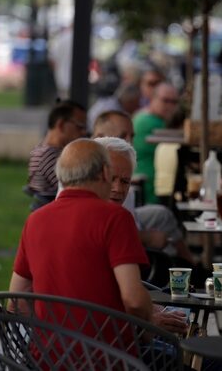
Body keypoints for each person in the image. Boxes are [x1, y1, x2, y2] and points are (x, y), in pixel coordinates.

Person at [10, 138, 188, 335]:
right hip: (110, 357)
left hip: (48, 359)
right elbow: (134, 301)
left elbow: (16, 303)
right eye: (113, 178)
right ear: (104, 172)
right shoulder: (116, 218)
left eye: (125, 181)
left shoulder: (35, 220)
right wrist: (147, 322)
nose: (119, 189)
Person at [93, 115, 198, 268]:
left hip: (129, 232)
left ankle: (190, 266)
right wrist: (146, 238)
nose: (129, 140)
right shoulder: (87, 169)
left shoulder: (121, 168)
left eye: (132, 136)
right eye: (123, 136)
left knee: (162, 214)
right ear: (100, 136)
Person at [25, 100, 87, 211]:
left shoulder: (42, 149)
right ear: (61, 125)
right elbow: (73, 189)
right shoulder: (49, 156)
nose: (83, 132)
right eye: (80, 126)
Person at [133, 83, 180, 204]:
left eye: (174, 102)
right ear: (153, 99)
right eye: (165, 101)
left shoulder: (146, 117)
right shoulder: (149, 122)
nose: (170, 106)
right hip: (150, 188)